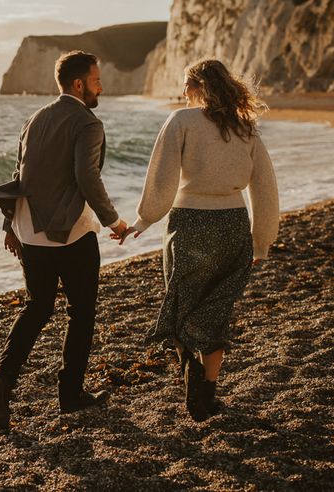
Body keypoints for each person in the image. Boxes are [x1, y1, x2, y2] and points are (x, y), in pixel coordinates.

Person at [113, 59, 279, 421]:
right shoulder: (245, 127)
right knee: (216, 310)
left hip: (189, 224)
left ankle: (190, 369)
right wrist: (261, 239)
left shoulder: (180, 121)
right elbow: (265, 187)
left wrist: (142, 221)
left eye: (186, 87)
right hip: (233, 226)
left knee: (182, 302)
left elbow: (162, 179)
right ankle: (206, 393)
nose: (183, 94)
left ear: (198, 86)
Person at [0, 50, 128, 432]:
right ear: (79, 84)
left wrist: (9, 228)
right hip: (72, 234)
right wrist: (113, 220)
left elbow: (19, 174)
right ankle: (70, 394)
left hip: (30, 231)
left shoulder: (35, 119)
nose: (101, 86)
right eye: (97, 80)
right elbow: (87, 178)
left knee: (37, 308)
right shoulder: (87, 123)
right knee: (81, 313)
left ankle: (2, 382)